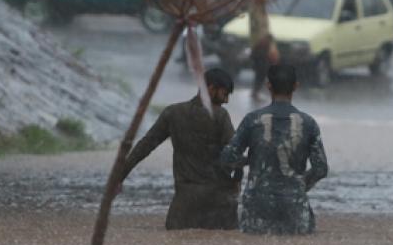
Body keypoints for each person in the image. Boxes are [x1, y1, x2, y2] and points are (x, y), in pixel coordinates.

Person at [119, 68, 240, 230]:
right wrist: (237, 179)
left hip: (185, 204)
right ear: (210, 89)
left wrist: (119, 177)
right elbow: (234, 154)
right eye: (224, 94)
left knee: (176, 243)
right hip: (219, 201)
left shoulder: (173, 113)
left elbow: (145, 146)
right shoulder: (220, 116)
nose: (226, 101)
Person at [219, 64, 328, 235]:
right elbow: (321, 169)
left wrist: (249, 160)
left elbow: (226, 158)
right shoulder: (308, 124)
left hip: (257, 205)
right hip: (295, 206)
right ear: (295, 86)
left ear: (268, 85)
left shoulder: (252, 120)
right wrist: (298, 185)